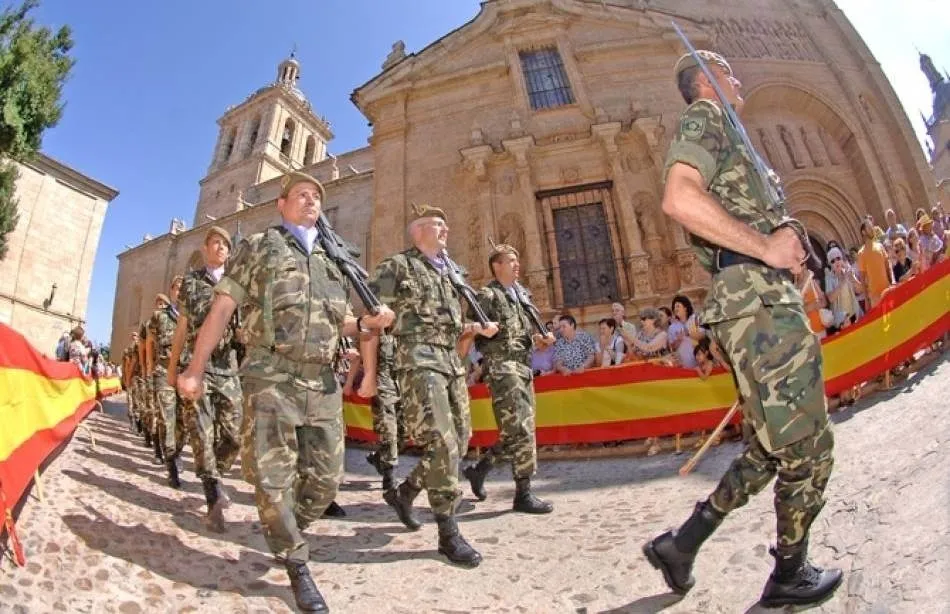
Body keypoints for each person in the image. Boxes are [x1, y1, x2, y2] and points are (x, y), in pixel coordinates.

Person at [642, 50, 841, 608]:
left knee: (768, 448)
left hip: (759, 299)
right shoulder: (706, 115)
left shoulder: (733, 134)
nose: (738, 78)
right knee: (809, 446)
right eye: (727, 71)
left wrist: (789, 251)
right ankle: (790, 573)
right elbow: (679, 198)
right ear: (706, 82)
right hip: (756, 303)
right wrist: (765, 249)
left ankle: (682, 544)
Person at [177, 171, 394, 612]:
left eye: (316, 196)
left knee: (325, 481)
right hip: (270, 376)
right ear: (281, 204)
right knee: (273, 476)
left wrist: (366, 325)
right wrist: (194, 369)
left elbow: (341, 322)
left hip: (322, 381)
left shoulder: (335, 259)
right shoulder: (260, 247)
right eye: (301, 194)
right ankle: (296, 561)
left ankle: (283, 524)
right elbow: (222, 308)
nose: (311, 199)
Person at [369, 203, 498, 568]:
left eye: (445, 224)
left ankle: (406, 491)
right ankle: (448, 531)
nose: (445, 230)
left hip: (451, 362)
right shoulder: (397, 266)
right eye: (437, 224)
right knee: (441, 441)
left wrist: (475, 329)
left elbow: (453, 324)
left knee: (460, 440)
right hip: (418, 360)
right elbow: (372, 313)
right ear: (417, 231)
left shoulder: (453, 273)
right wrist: (373, 362)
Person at [461, 243, 556, 514]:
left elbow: (522, 335)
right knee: (521, 427)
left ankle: (481, 469)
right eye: (511, 261)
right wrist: (480, 331)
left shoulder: (521, 296)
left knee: (518, 428)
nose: (517, 265)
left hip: (523, 366)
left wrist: (539, 340)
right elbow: (469, 328)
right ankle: (523, 493)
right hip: (501, 367)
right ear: (497, 266)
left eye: (517, 260)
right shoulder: (488, 295)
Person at [167, 226, 242, 532]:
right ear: (206, 247)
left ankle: (216, 476)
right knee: (200, 431)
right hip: (196, 365)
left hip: (227, 365)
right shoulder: (192, 282)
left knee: (234, 435)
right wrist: (173, 368)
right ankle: (213, 495)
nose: (221, 247)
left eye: (225, 244)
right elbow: (182, 327)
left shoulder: (236, 281)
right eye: (215, 243)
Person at [147, 278, 185, 488]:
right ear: (171, 291)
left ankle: (176, 452)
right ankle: (171, 465)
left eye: (183, 289)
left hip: (185, 373)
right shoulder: (159, 316)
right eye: (177, 288)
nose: (180, 292)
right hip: (163, 371)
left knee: (183, 421)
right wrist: (151, 364)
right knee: (166, 418)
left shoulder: (192, 317)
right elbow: (150, 341)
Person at [365, 332, 406, 493]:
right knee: (389, 430)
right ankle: (389, 476)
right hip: (382, 384)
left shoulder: (405, 328)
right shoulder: (375, 328)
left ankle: (379, 458)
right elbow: (365, 352)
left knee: (404, 431)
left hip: (401, 384)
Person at [856, 220, 893, 310]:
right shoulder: (861, 253)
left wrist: (892, 282)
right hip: (875, 298)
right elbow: (862, 278)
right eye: (869, 227)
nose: (872, 229)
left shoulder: (880, 246)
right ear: (863, 232)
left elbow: (888, 266)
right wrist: (866, 300)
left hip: (888, 290)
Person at [668, 295, 703, 368]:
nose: (675, 309)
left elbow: (702, 335)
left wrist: (688, 333)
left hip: (701, 362)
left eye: (678, 306)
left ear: (685, 307)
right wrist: (678, 340)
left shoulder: (695, 319)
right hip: (684, 365)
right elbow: (672, 348)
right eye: (674, 307)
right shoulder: (672, 327)